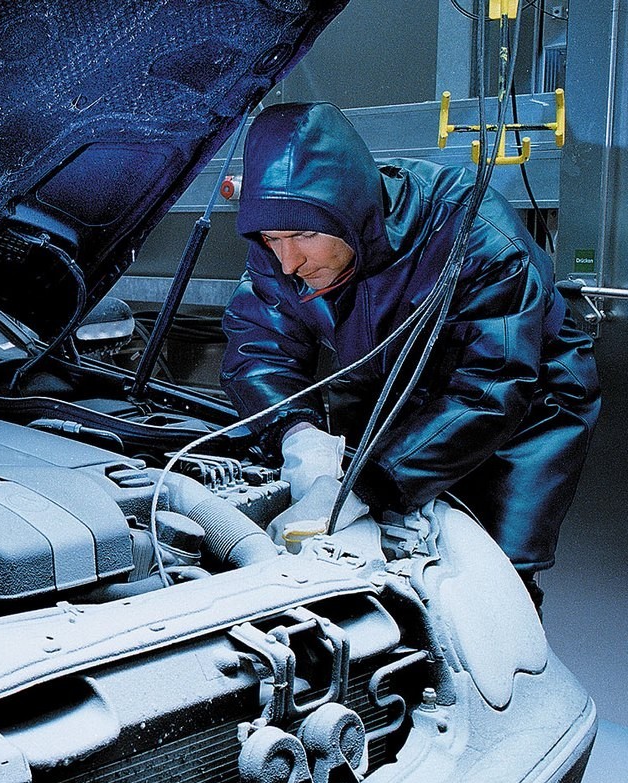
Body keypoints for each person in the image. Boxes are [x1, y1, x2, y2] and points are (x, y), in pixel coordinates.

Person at [220, 102, 601, 608]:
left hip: (523, 401)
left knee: (493, 579)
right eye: (273, 239)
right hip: (389, 381)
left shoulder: (473, 232)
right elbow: (258, 347)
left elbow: (491, 384)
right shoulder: (280, 241)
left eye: (304, 236)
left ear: (353, 212)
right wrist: (297, 433)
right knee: (371, 550)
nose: (288, 261)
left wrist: (367, 485)